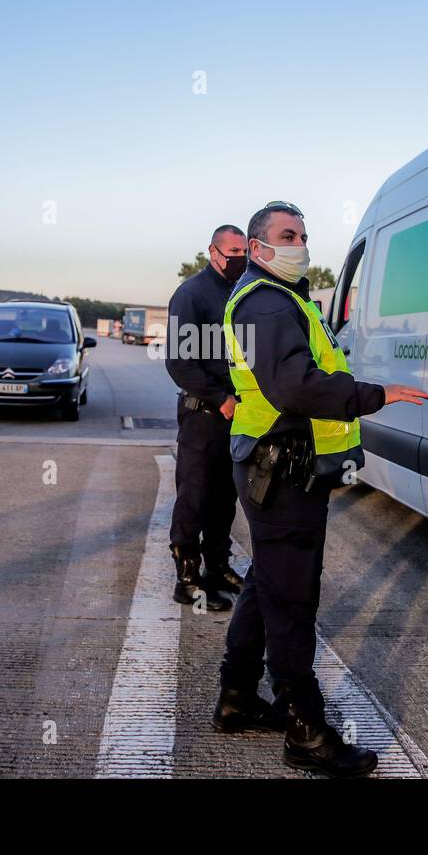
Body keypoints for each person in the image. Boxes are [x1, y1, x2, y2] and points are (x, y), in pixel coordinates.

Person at [213, 201, 428, 778]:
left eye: (304, 234)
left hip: (274, 463)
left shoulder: (282, 299)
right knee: (291, 601)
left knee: (267, 583)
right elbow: (294, 386)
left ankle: (235, 697)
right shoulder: (265, 303)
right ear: (258, 247)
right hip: (279, 469)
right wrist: (371, 395)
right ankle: (305, 731)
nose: (300, 243)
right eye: (287, 235)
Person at [165, 224, 248, 612]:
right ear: (212, 252)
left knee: (224, 498)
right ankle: (188, 577)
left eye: (243, 252)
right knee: (195, 497)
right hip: (204, 416)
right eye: (231, 252)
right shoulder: (191, 295)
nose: (238, 259)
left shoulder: (241, 292)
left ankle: (218, 567)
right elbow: (180, 363)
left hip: (239, 415)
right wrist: (221, 399)